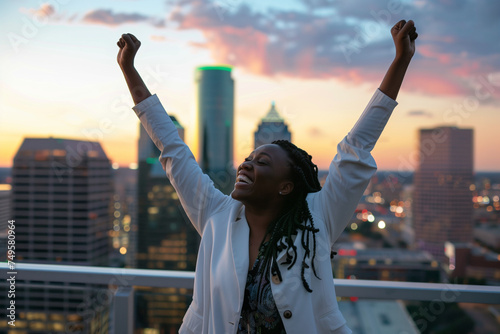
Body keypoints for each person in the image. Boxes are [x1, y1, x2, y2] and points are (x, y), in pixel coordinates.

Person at [117, 19, 418, 334]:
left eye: (262, 162)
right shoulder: (216, 215)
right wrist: (129, 70)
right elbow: (173, 151)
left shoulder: (318, 217)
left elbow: (355, 151)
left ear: (286, 186)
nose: (246, 165)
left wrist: (399, 62)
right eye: (247, 158)